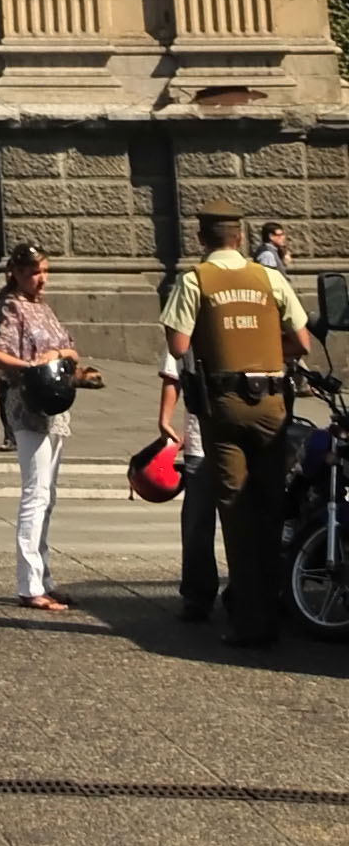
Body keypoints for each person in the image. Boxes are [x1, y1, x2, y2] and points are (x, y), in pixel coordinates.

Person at [161, 209, 314, 643]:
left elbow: (178, 344)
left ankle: (251, 623)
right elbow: (301, 341)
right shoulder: (269, 278)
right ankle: (275, 605)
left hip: (224, 405)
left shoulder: (195, 280)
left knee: (236, 510)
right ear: (241, 237)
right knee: (271, 505)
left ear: (201, 238)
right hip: (272, 402)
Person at [0, 241, 102, 614]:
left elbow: (70, 348)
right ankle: (29, 584)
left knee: (48, 496)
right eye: (35, 272)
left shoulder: (43, 307)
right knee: (35, 493)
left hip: (56, 406)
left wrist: (61, 356)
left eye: (45, 271)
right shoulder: (11, 306)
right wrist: (29, 368)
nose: (42, 278)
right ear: (16, 273)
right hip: (29, 405)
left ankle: (45, 577)